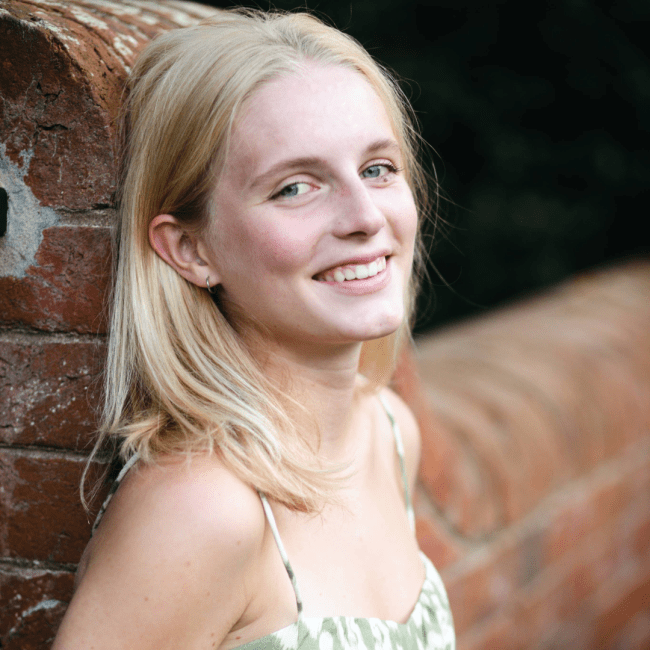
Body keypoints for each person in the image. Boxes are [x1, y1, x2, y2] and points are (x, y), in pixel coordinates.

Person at [53, 8, 455, 649]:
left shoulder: (389, 433)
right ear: (190, 250)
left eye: (378, 169)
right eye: (296, 187)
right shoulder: (199, 512)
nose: (364, 216)